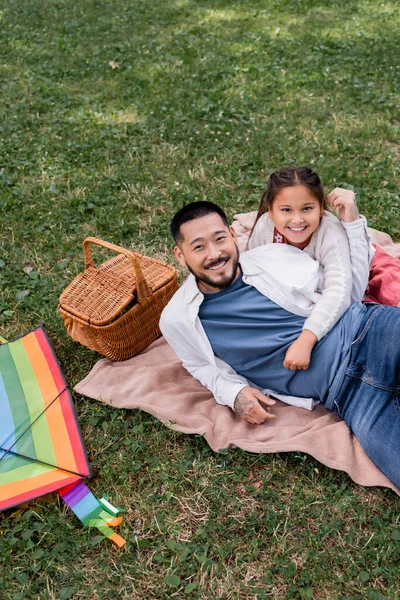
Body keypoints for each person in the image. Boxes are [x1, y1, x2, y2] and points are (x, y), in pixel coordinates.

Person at [160, 201, 400, 488]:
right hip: (349, 398)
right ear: (180, 254)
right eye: (198, 247)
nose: (214, 254)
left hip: (370, 334)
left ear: (233, 236)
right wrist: (233, 392)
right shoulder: (178, 319)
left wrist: (351, 226)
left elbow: (342, 288)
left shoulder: (274, 258)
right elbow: (199, 365)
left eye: (220, 239)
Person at [248, 166, 372, 370]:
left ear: (321, 208)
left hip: (326, 299)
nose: (297, 220)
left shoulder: (329, 233)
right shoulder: (265, 228)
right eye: (286, 210)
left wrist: (307, 339)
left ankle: (356, 227)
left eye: (307, 208)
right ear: (271, 212)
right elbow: (254, 276)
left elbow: (342, 293)